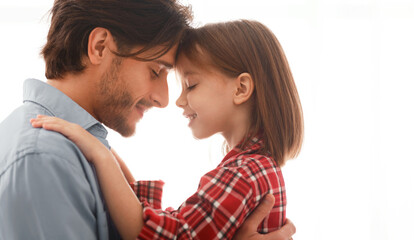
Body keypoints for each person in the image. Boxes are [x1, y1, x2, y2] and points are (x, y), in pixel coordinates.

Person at [0, 0, 295, 239]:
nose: (165, 100)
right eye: (156, 71)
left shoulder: (72, 147)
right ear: (100, 46)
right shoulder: (43, 159)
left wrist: (108, 161)